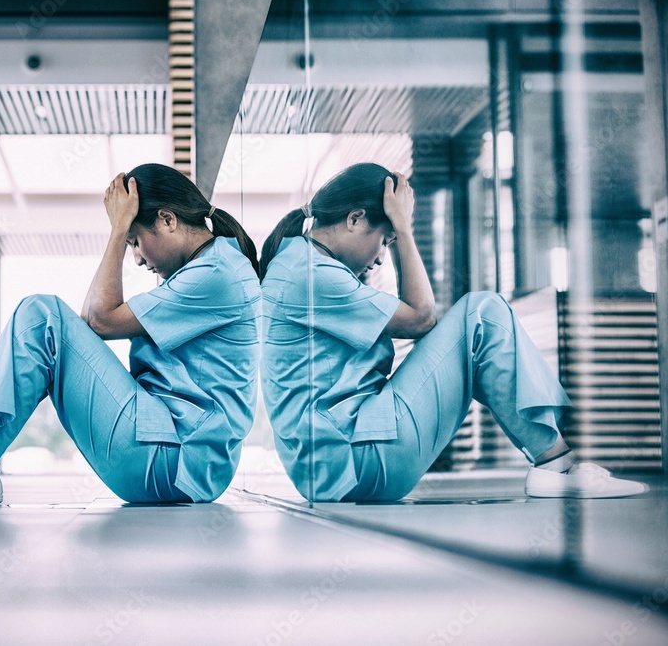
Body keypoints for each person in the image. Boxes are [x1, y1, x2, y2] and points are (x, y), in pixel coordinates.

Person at [259, 162, 647, 502]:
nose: (380, 256)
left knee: (474, 324)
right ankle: (558, 467)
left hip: (340, 463)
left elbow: (417, 323)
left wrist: (395, 231)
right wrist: (405, 232)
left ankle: (555, 459)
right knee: (483, 313)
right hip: (358, 459)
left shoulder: (301, 265)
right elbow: (421, 318)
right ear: (355, 218)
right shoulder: (312, 275)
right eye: (383, 240)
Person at [0, 163, 262, 505]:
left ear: (167, 219)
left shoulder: (217, 274)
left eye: (135, 241)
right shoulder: (208, 270)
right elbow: (94, 318)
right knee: (43, 316)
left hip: (173, 459)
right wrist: (122, 231)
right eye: (129, 246)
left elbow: (99, 319)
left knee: (42, 314)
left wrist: (116, 230)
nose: (138, 258)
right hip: (169, 454)